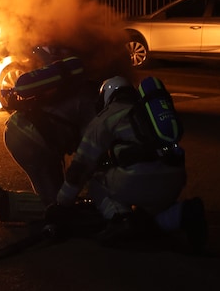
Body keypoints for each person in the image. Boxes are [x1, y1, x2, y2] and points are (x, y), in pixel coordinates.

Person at [48, 75, 207, 251]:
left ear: (106, 97)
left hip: (140, 181)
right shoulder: (147, 112)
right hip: (173, 182)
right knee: (147, 220)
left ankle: (120, 219)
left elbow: (80, 167)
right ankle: (185, 212)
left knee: (96, 181)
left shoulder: (105, 118)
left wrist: (62, 203)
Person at [0, 55, 102, 226]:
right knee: (58, 206)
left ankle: (2, 201)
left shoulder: (79, 90)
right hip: (31, 141)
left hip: (23, 131)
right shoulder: (91, 106)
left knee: (58, 199)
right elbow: (86, 154)